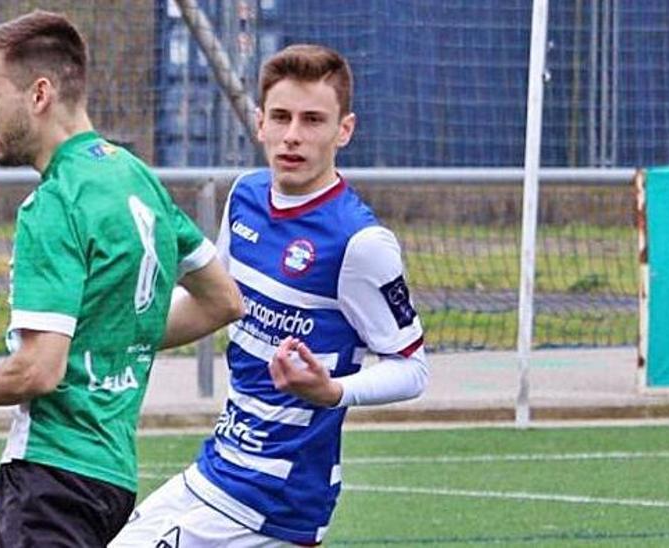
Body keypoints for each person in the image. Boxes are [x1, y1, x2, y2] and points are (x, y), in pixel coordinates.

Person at [0, 10, 244, 548]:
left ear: (39, 94)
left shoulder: (52, 204)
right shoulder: (137, 178)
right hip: (107, 478)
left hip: (50, 480)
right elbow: (223, 301)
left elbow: (39, 371)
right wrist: (110, 333)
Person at [111, 44, 430, 547]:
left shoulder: (359, 243)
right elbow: (214, 304)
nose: (293, 135)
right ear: (259, 122)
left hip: (274, 499)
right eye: (280, 117)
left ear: (343, 130)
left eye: (313, 120)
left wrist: (334, 391)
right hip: (219, 467)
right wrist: (111, 338)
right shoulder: (245, 196)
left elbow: (413, 368)